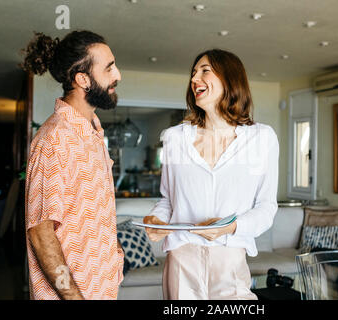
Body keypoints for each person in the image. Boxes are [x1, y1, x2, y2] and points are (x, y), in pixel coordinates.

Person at [143, 49, 279, 300]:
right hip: (182, 258)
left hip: (231, 260)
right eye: (193, 73)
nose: (195, 79)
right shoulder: (174, 138)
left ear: (230, 79)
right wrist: (157, 219)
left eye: (205, 70)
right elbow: (167, 200)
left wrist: (230, 227)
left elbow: (267, 207)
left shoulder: (262, 138)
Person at [22, 30, 124, 300]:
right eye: (109, 68)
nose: (118, 76)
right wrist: (73, 297)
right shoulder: (55, 138)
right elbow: (41, 233)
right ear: (83, 79)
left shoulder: (93, 131)